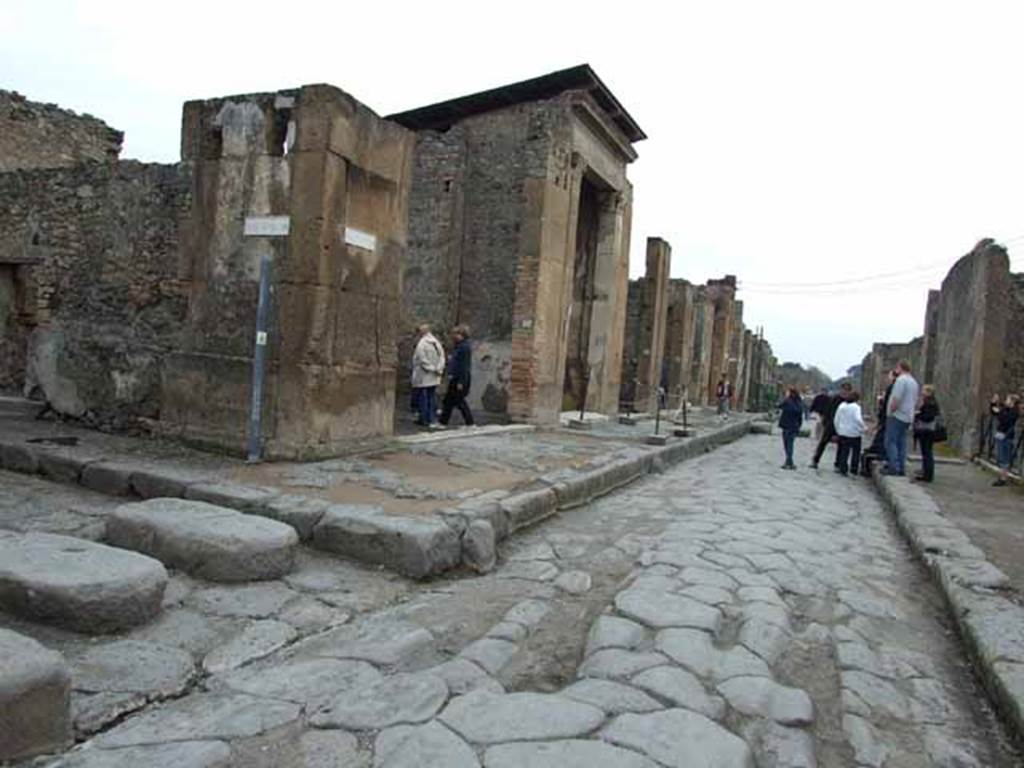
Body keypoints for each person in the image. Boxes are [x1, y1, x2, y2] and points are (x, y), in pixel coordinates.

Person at [883, 360, 920, 476]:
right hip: (908, 416)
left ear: (900, 368)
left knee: (890, 441)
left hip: (897, 415)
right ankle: (901, 467)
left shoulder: (901, 380)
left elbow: (896, 398)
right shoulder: (914, 382)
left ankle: (893, 467)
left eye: (897, 368)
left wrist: (891, 411)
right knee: (902, 442)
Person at [861, 370, 897, 476]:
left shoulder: (893, 388)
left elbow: (888, 405)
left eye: (889, 376)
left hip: (889, 419)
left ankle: (889, 460)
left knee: (887, 441)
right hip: (888, 419)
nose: (887, 378)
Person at [810, 381, 852, 469]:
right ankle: (815, 460)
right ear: (841, 390)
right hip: (831, 424)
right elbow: (828, 411)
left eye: (847, 391)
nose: (845, 392)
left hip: (842, 426)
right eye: (844, 390)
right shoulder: (834, 399)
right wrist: (825, 422)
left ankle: (838, 463)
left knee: (841, 445)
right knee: (823, 442)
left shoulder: (849, 402)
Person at [440, 324, 475, 427]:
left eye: (456, 334)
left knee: (459, 401)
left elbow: (464, 366)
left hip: (459, 379)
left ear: (462, 335)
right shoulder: (459, 346)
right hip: (455, 377)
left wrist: (461, 382)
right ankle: (443, 422)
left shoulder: (464, 348)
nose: (454, 336)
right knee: (448, 401)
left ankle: (470, 423)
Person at [410, 324, 444, 429]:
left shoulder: (422, 344)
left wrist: (431, 368)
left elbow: (422, 359)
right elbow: (442, 356)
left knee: (423, 398)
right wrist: (438, 368)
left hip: (424, 375)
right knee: (431, 397)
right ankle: (432, 418)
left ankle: (425, 419)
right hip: (434, 375)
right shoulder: (436, 343)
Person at [912, 385, 941, 483]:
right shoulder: (928, 402)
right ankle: (925, 471)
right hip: (926, 430)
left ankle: (927, 474)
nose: (922, 392)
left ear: (929, 392)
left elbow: (928, 417)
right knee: (926, 452)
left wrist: (918, 415)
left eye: (924, 390)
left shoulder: (930, 403)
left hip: (927, 430)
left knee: (927, 452)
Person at [834, 391, 866, 477]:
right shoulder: (856, 407)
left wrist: (838, 430)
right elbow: (858, 419)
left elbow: (836, 419)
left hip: (843, 432)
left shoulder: (841, 406)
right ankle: (853, 470)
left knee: (844, 451)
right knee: (855, 452)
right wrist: (864, 427)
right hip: (854, 433)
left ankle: (843, 468)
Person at [992, 394, 1020, 487]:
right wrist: (993, 403)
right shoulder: (1006, 409)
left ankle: (1003, 478)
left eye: (1007, 400)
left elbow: (1005, 420)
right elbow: (995, 413)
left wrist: (999, 412)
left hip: (1007, 437)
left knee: (1005, 458)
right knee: (1001, 457)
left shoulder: (1014, 412)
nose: (1005, 401)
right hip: (1001, 435)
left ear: (1012, 402)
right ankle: (1001, 477)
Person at [777, 387, 804, 470]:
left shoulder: (787, 401)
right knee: (790, 444)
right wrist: (799, 426)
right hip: (794, 426)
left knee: (787, 445)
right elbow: (800, 416)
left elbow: (779, 406)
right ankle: (790, 461)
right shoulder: (799, 403)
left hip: (786, 426)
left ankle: (788, 461)